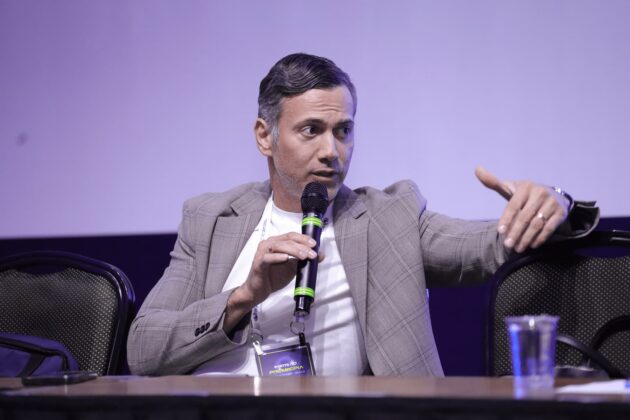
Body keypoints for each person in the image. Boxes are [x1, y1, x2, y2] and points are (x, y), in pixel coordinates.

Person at [126, 53, 598, 376]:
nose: (332, 151)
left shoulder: (389, 218)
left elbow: (488, 246)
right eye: (311, 130)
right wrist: (243, 298)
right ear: (264, 136)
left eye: (343, 131)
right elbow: (143, 349)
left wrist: (554, 206)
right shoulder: (211, 219)